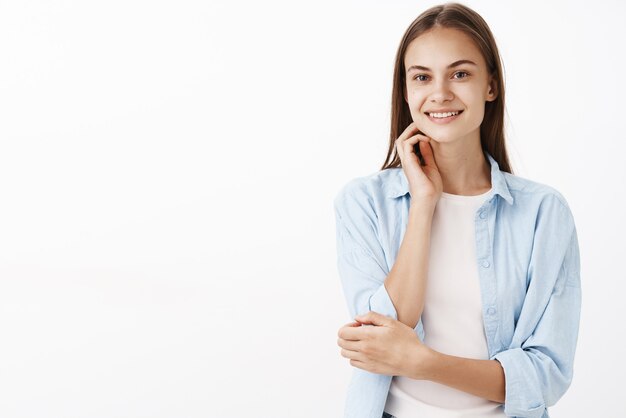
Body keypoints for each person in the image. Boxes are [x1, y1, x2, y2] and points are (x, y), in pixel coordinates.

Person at [333, 3, 581, 418]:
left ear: (491, 86)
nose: (440, 93)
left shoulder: (544, 213)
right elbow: (381, 338)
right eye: (422, 77)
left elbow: (546, 375)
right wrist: (424, 205)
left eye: (460, 74)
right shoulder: (363, 203)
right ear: (406, 90)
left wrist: (422, 363)